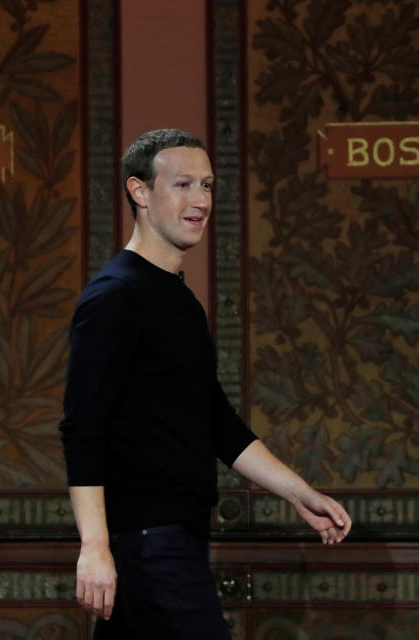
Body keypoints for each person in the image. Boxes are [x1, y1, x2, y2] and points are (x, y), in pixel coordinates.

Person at [59, 128, 351, 639]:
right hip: (148, 539)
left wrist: (298, 493)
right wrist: (95, 545)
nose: (200, 201)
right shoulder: (115, 296)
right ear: (140, 192)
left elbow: (215, 422)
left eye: (208, 185)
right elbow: (83, 426)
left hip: (177, 533)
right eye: (183, 185)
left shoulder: (177, 300)